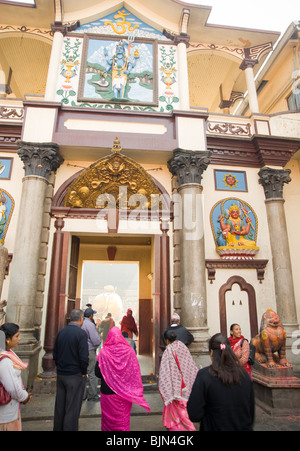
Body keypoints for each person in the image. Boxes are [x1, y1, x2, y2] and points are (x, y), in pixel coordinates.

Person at [187, 333, 255, 431]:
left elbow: (193, 414)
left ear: (211, 352)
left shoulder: (204, 375)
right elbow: (250, 413)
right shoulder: (244, 375)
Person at [95, 326, 150, 431]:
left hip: (107, 391)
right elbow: (134, 371)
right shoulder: (129, 351)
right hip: (125, 391)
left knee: (108, 421)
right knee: (122, 420)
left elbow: (97, 373)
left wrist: (109, 375)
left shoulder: (104, 352)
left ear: (109, 337)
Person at [53, 309, 89, 431]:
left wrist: (60, 367)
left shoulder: (61, 332)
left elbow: (55, 354)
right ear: (81, 319)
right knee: (72, 408)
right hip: (75, 375)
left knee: (60, 406)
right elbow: (84, 357)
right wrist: (84, 372)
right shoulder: (81, 334)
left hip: (62, 374)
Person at [158, 330, 198, 431]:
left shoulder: (168, 351)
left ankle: (188, 428)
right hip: (186, 382)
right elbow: (190, 364)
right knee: (183, 407)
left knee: (179, 409)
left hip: (176, 386)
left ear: (167, 340)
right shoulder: (183, 346)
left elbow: (165, 371)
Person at [0, 324, 32, 431]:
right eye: (17, 336)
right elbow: (13, 388)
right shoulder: (5, 361)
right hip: (6, 414)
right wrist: (25, 396)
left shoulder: (9, 355)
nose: (19, 339)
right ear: (7, 340)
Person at [81, 307, 101, 401]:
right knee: (93, 373)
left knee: (82, 373)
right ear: (90, 315)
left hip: (80, 351)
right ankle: (92, 395)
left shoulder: (80, 323)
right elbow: (95, 340)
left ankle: (82, 394)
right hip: (89, 351)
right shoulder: (89, 324)